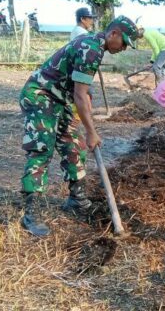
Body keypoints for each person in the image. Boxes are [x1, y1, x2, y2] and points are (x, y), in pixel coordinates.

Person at [19, 16, 138, 236]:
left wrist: (83, 117)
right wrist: (92, 131)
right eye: (123, 42)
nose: (123, 48)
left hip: (60, 99)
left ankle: (77, 200)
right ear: (113, 34)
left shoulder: (96, 46)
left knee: (73, 145)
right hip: (40, 95)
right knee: (41, 150)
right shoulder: (91, 49)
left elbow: (82, 86)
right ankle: (31, 215)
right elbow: (80, 95)